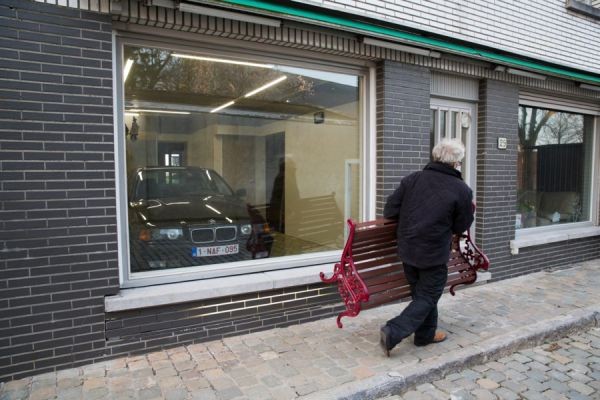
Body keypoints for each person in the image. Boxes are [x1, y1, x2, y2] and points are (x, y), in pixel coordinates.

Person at [379, 138, 474, 356]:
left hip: (407, 250)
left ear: (436, 156)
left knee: (421, 294)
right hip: (433, 254)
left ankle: (424, 335)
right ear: (456, 163)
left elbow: (390, 211)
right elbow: (461, 226)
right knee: (428, 296)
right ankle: (393, 330)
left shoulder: (413, 179)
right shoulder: (462, 190)